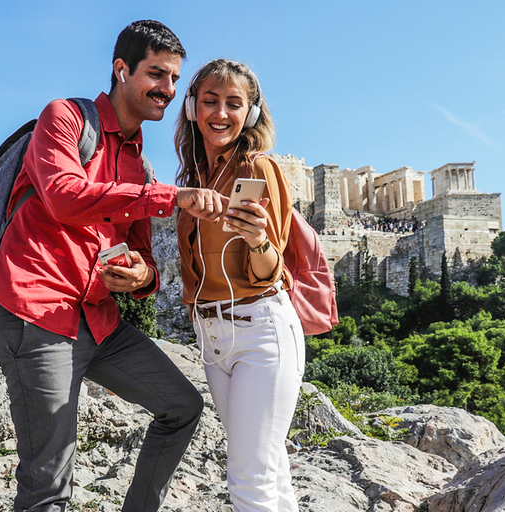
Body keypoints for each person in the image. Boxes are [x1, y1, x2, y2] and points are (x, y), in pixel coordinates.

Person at [0, 20, 227, 512]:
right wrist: (170, 197)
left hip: (99, 322)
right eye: (157, 74)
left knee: (182, 407)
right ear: (121, 69)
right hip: (36, 315)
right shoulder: (65, 118)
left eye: (175, 79)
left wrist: (141, 277)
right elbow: (64, 197)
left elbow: (147, 264)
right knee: (48, 487)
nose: (168, 90)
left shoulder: (141, 165)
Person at [174, 59, 305, 511]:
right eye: (210, 100)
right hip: (212, 339)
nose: (221, 113)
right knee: (268, 474)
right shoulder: (192, 178)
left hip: (261, 331)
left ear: (250, 112)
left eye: (234, 103)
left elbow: (271, 270)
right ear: (192, 107)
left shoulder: (258, 167)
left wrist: (258, 238)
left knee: (248, 481)